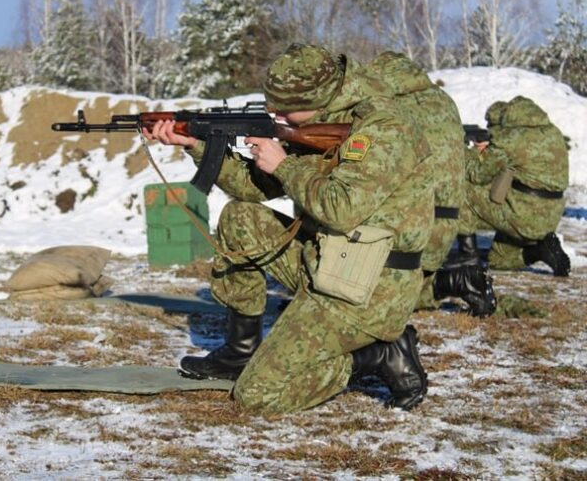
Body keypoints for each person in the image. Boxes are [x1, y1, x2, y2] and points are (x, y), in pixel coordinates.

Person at [143, 44, 433, 413]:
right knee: (240, 218)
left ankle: (376, 355)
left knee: (259, 397)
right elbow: (255, 189)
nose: (273, 114)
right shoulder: (317, 121)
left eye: (283, 108)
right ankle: (240, 350)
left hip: (372, 286)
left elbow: (341, 209)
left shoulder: (384, 127)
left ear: (317, 98)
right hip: (325, 261)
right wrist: (198, 145)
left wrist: (284, 165)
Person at [364, 52, 496, 317]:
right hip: (445, 228)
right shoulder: (444, 101)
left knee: (361, 300)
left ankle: (449, 282)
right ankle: (451, 281)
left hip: (409, 229)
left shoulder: (383, 104)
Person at [458, 96, 570, 276]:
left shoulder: (510, 139)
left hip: (523, 215)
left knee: (463, 192)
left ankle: (468, 257)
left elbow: (477, 175)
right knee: (499, 259)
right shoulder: (553, 132)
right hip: (550, 216)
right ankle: (541, 251)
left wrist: (467, 152)